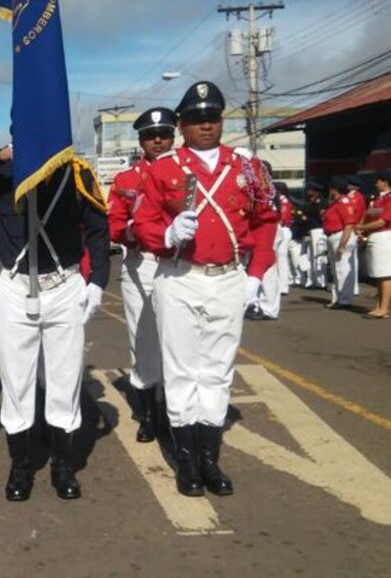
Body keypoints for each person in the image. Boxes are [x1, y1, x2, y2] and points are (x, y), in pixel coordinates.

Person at [133, 81, 277, 498]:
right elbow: (142, 224)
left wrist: (257, 274)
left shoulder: (248, 167)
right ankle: (187, 460)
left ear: (221, 120)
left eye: (212, 117)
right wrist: (167, 234)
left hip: (230, 277)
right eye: (196, 119)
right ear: (182, 125)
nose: (206, 126)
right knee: (181, 369)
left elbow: (267, 221)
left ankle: (210, 457)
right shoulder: (163, 169)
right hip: (180, 276)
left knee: (217, 369)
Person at [0, 142, 110, 502]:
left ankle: (63, 466)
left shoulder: (77, 174)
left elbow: (98, 228)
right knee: (17, 378)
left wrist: (98, 280)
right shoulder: (3, 173)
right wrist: (3, 155)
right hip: (17, 286)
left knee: (65, 377)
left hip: (64, 284)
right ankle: (20, 465)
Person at [108, 106, 175, 442]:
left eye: (164, 134)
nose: (158, 140)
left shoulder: (188, 173)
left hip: (180, 263)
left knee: (179, 340)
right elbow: (115, 225)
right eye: (151, 136)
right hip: (143, 261)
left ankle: (177, 412)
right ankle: (150, 414)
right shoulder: (126, 180)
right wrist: (134, 230)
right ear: (141, 140)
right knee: (144, 340)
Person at [248, 181, 292, 321]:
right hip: (268, 229)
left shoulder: (266, 191)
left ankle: (268, 308)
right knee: (264, 268)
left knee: (268, 269)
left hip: (268, 229)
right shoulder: (267, 190)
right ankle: (261, 304)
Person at [355, 169, 391, 319]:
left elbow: (383, 221)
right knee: (378, 274)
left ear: (385, 182)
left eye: (378, 180)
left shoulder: (389, 199)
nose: (376, 183)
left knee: (385, 274)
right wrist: (362, 229)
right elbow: (369, 216)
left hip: (384, 235)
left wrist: (361, 228)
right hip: (375, 236)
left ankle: (384, 308)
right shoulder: (377, 199)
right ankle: (379, 305)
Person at [323, 178, 359, 310]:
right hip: (334, 236)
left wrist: (342, 244)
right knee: (336, 270)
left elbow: (349, 224)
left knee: (342, 269)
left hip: (341, 236)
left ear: (334, 189)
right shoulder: (336, 203)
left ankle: (345, 300)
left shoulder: (343, 202)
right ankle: (338, 298)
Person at [306, 181, 328, 289]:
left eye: (310, 189)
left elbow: (322, 216)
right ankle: (315, 280)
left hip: (319, 230)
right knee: (312, 256)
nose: (308, 191)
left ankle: (321, 282)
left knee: (319, 255)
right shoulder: (312, 201)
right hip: (312, 230)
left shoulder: (320, 202)